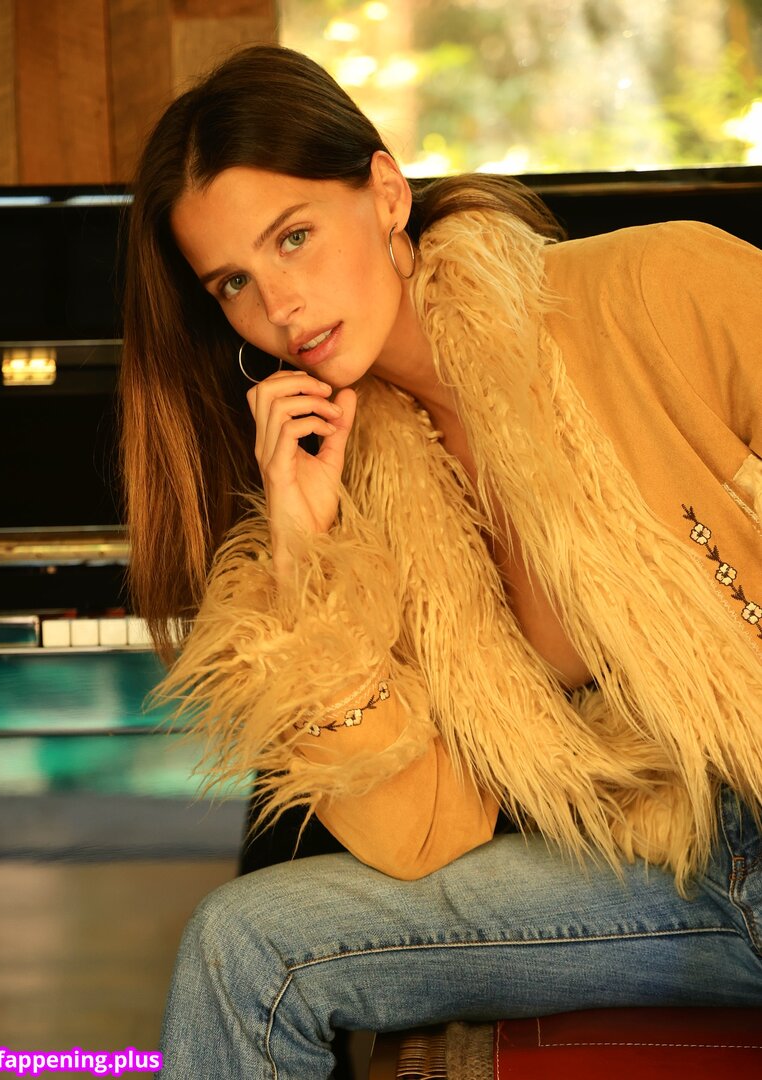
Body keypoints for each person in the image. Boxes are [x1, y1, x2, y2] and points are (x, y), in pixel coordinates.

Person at [120, 43, 762, 1080]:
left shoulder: (654, 289)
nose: (280, 306)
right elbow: (423, 833)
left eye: (294, 237)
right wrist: (305, 554)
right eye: (234, 281)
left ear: (384, 193)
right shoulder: (369, 495)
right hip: (685, 877)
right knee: (244, 948)